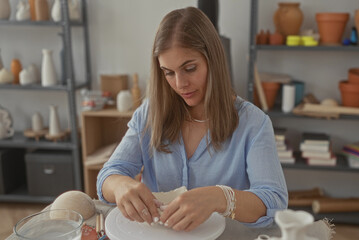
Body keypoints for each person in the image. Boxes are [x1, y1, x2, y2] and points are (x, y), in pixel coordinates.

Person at [97, 6, 288, 232]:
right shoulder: (149, 114)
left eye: (189, 68)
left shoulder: (253, 124)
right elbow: (108, 176)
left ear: (213, 61)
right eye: (168, 72)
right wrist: (121, 185)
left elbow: (274, 203)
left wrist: (220, 198)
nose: (180, 84)